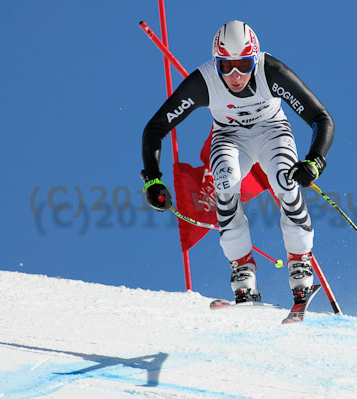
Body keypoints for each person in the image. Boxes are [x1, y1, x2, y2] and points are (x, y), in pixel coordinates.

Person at [141, 20, 334, 303]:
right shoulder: (204, 82)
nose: (234, 75)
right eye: (225, 66)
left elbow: (321, 118)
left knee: (285, 178)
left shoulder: (271, 72)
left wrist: (315, 161)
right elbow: (156, 128)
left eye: (243, 65)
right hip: (230, 137)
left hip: (272, 132)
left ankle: (300, 260)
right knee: (225, 183)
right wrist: (153, 180)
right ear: (215, 63)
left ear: (254, 59)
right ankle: (242, 270)